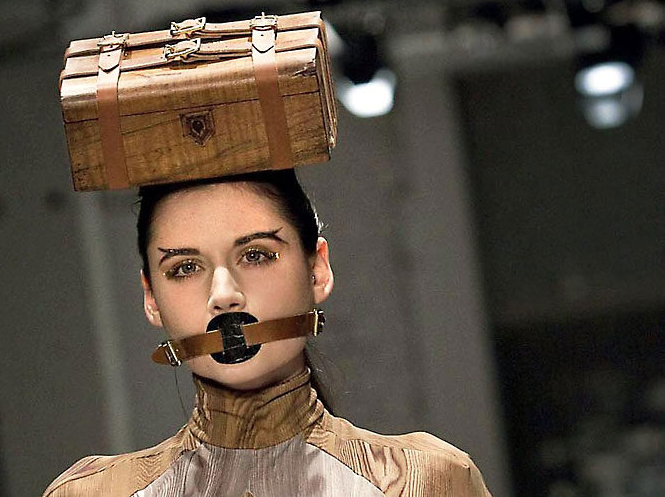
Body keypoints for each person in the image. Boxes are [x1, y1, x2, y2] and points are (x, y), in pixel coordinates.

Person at [41, 169, 492, 496]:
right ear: (151, 298)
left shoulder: (423, 482)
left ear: (317, 269)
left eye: (256, 255)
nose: (224, 295)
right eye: (185, 268)